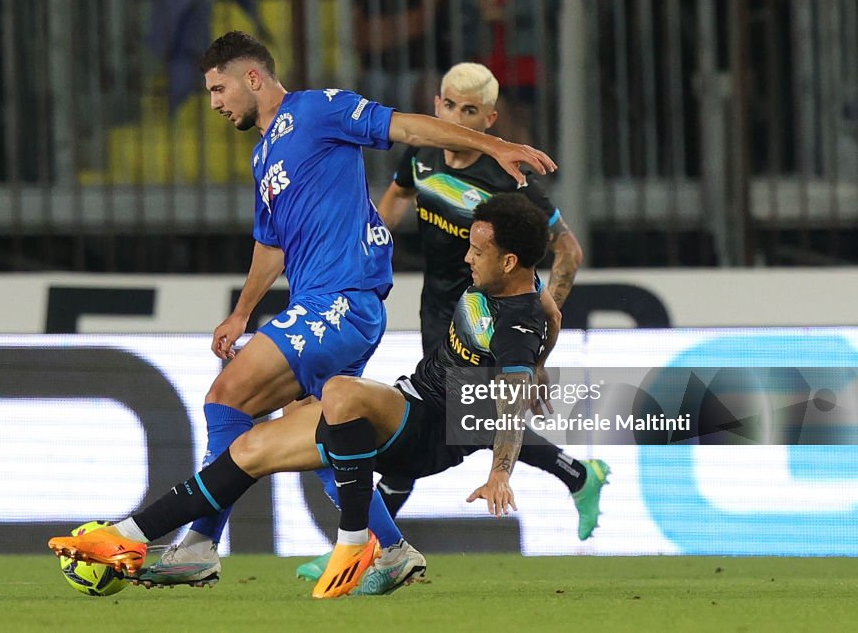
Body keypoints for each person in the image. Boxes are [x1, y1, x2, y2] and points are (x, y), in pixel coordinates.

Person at [130, 31, 557, 590]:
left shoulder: (316, 109)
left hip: (342, 301)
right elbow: (271, 244)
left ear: (252, 78)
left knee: (227, 394)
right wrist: (242, 312)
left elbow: (404, 126)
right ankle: (391, 549)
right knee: (327, 436)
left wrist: (492, 146)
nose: (214, 102)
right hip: (317, 302)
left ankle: (199, 544)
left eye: (218, 88)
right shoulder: (264, 155)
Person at [48, 194, 610, 599]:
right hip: (413, 402)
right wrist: (542, 361)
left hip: (431, 431)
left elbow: (509, 404)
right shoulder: (523, 294)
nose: (467, 258)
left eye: (478, 251)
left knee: (339, 392)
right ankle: (127, 537)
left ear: (508, 262)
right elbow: (550, 318)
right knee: (249, 450)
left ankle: (355, 541)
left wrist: (501, 472)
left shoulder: (515, 319)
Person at [368, 62, 585, 521]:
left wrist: (531, 330)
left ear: (489, 120)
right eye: (448, 105)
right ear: (435, 105)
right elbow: (397, 200)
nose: (455, 119)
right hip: (438, 311)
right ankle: (578, 474)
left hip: (486, 316)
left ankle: (366, 543)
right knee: (455, 420)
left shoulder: (506, 178)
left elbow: (568, 251)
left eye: (469, 110)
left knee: (447, 422)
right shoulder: (420, 157)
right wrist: (367, 255)